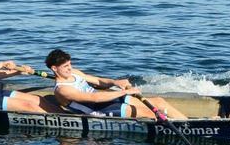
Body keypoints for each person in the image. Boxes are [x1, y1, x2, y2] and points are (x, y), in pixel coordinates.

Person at [44, 49, 187, 120]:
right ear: (54, 69)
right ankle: (176, 128)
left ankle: (187, 123)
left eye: (70, 64)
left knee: (158, 102)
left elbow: (98, 81)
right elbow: (95, 99)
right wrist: (124, 92)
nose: (70, 68)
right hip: (99, 110)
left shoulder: (74, 72)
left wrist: (115, 82)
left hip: (109, 99)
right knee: (149, 112)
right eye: (65, 66)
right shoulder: (62, 90)